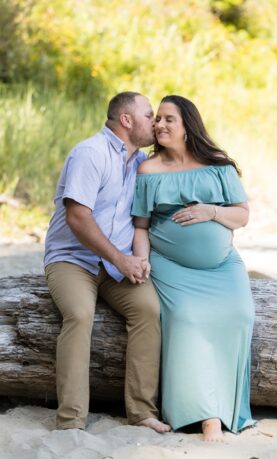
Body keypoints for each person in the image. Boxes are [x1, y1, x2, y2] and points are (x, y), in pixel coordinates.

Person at [43, 91, 170, 433]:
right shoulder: (90, 153)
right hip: (73, 260)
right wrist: (121, 259)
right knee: (80, 314)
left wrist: (137, 259)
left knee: (148, 310)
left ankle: (142, 412)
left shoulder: (139, 162)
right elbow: (78, 217)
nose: (155, 121)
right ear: (126, 120)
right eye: (149, 115)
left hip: (116, 266)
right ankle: (71, 421)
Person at [130, 95, 255, 442]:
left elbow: (242, 216)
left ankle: (227, 407)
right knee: (185, 320)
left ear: (188, 126)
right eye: (157, 119)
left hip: (222, 266)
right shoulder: (149, 170)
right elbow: (141, 225)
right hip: (171, 266)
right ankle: (205, 415)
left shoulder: (219, 167)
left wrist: (210, 211)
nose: (159, 125)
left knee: (240, 314)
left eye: (169, 119)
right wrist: (142, 262)